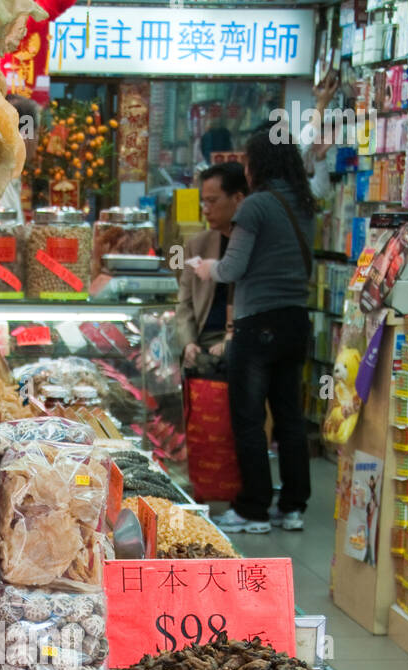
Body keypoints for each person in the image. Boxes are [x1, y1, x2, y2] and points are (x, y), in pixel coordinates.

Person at [192, 129, 316, 533]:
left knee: (247, 418)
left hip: (257, 324)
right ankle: (293, 506)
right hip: (296, 320)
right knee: (289, 418)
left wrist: (207, 268)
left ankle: (253, 509)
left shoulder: (256, 206)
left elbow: (232, 268)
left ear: (257, 163)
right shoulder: (302, 203)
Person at [176, 162, 247, 376]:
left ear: (238, 199)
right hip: (202, 338)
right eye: (203, 202)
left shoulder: (251, 243)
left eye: (212, 201)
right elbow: (184, 303)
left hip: (240, 339)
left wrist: (231, 339)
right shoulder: (197, 245)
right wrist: (188, 342)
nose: (205, 210)